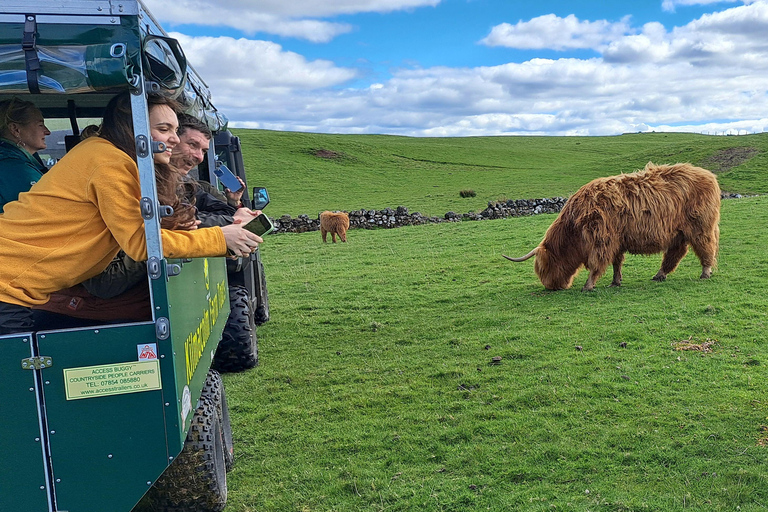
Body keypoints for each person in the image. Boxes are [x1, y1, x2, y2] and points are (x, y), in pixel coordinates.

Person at [0, 91, 261, 335]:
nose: (173, 138)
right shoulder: (110, 164)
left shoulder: (106, 155)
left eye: (175, 130)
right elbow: (140, 243)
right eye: (163, 129)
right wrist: (219, 238)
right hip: (7, 286)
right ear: (131, 128)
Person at [0, 97, 50, 211]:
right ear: (15, 130)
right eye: (40, 125)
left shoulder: (18, 161)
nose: (47, 131)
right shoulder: (12, 166)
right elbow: (43, 209)